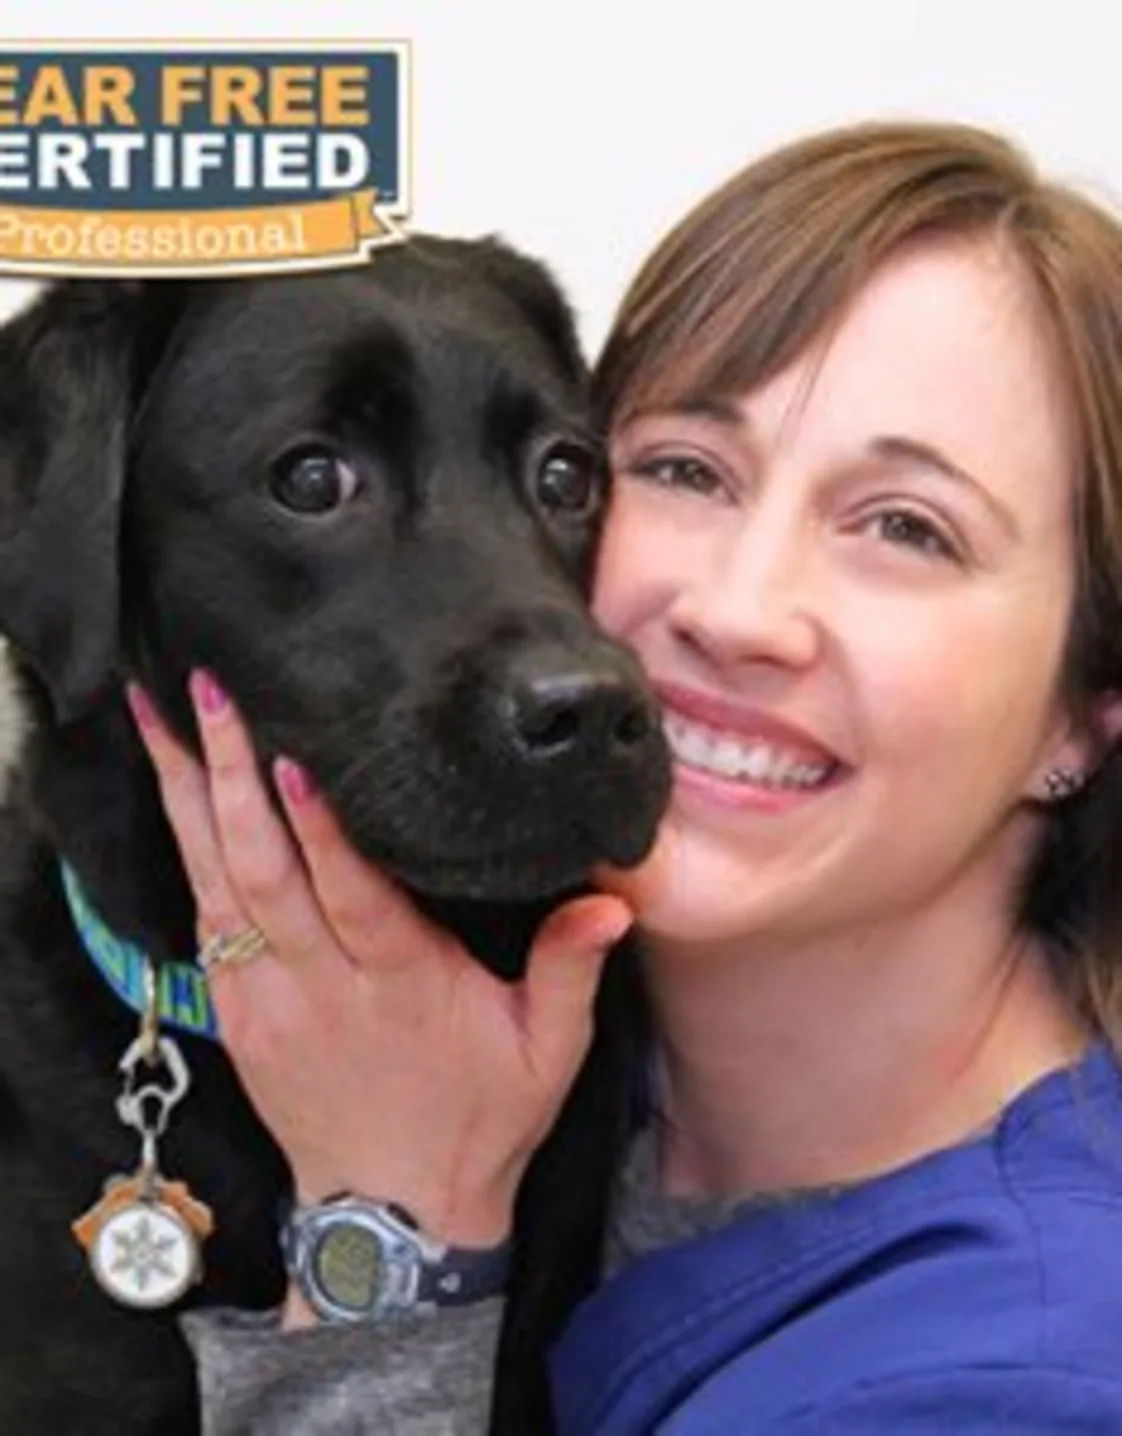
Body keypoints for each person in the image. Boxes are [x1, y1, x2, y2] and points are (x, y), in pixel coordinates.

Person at [129, 119, 1122, 1432]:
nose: (737, 606)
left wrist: (388, 1243)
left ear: (1080, 714)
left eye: (905, 528)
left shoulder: (1020, 1379)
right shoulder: (530, 1048)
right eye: (681, 469)